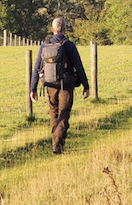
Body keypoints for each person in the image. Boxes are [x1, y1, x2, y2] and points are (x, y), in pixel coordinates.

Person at [30, 17, 90, 154]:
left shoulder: (45, 45)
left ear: (52, 30)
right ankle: (57, 146)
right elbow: (79, 67)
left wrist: (33, 88)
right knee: (64, 116)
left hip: (49, 85)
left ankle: (57, 145)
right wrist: (86, 86)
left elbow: (36, 68)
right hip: (65, 87)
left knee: (54, 115)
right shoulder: (69, 45)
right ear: (64, 30)